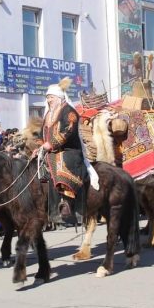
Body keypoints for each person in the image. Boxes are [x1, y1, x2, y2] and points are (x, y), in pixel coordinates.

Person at [39, 77, 98, 219]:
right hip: (51, 150)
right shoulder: (48, 114)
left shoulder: (69, 111)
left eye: (51, 97)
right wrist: (40, 146)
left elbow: (68, 130)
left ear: (59, 97)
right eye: (47, 97)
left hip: (69, 150)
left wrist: (50, 144)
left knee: (60, 162)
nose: (49, 100)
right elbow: (42, 132)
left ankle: (66, 200)